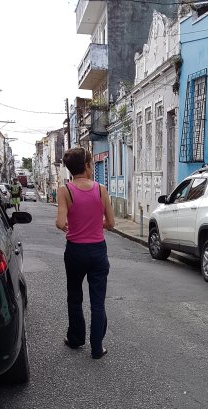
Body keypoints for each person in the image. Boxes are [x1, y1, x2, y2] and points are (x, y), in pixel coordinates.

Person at [56, 147, 116, 359]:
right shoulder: (101, 190)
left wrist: (68, 225)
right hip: (98, 251)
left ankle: (76, 339)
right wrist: (97, 223)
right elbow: (111, 223)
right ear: (88, 166)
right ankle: (97, 348)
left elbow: (60, 222)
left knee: (74, 297)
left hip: (75, 251)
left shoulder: (65, 190)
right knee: (97, 301)